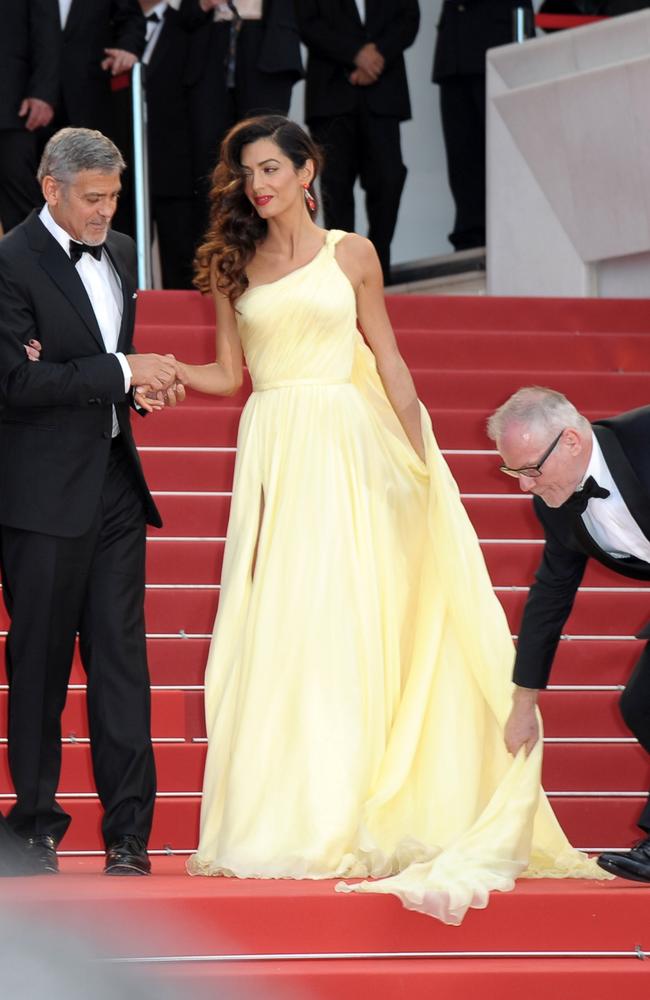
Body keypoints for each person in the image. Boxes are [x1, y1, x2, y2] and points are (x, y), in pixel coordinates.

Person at [136, 114, 604, 921]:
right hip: (277, 444)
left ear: (308, 170)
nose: (261, 184)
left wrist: (419, 456)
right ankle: (297, 812)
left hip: (350, 450)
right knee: (287, 625)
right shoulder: (232, 264)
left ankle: (365, 804)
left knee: (348, 618)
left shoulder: (352, 253)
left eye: (274, 167)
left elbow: (386, 354)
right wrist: (163, 371)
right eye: (250, 171)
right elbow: (228, 374)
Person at [0, 126, 183, 876]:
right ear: (52, 188)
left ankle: (129, 834)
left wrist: (134, 386)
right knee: (38, 663)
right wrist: (116, 370)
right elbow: (14, 383)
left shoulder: (124, 249)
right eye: (93, 198)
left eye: (113, 195)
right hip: (39, 494)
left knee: (120, 662)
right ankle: (35, 827)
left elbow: (80, 368)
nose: (107, 211)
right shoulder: (10, 262)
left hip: (113, 479)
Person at [488, 387, 650, 884]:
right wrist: (523, 701)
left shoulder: (643, 439)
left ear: (573, 442)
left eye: (530, 470)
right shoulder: (555, 502)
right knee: (642, 707)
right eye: (514, 473)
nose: (523, 487)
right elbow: (550, 595)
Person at [297, 0, 419, 285]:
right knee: (335, 187)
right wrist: (355, 54)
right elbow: (307, 23)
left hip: (384, 88)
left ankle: (377, 266)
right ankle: (344, 272)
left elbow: (408, 19)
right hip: (331, 94)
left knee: (388, 179)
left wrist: (376, 56)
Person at [178, 0, 303, 242]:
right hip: (211, 53)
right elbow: (185, 16)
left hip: (267, 49)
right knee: (209, 162)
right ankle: (216, 255)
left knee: (265, 148)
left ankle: (272, 248)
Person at [433, 0, 534, 251]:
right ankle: (469, 233)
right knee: (461, 154)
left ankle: (512, 231)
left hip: (497, 42)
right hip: (454, 52)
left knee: (504, 155)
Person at [138, 0, 195, 288]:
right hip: (126, 165)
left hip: (175, 164)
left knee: (180, 255)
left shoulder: (188, 23)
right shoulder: (112, 27)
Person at [0, 0, 60, 233]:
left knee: (20, 204)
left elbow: (47, 31)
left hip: (11, 108)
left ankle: (36, 268)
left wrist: (43, 92)